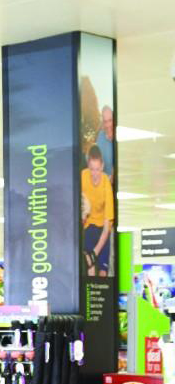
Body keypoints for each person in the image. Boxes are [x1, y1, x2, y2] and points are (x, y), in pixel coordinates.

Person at [82, 144, 114, 276]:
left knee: (102, 269)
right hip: (88, 226)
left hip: (103, 229)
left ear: (102, 166)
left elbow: (107, 227)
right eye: (92, 169)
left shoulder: (106, 183)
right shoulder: (83, 176)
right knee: (90, 264)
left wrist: (95, 253)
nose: (94, 174)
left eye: (97, 169)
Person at [97, 105, 115, 181]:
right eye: (105, 121)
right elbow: (98, 161)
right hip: (104, 182)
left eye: (110, 120)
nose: (108, 125)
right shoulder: (100, 136)